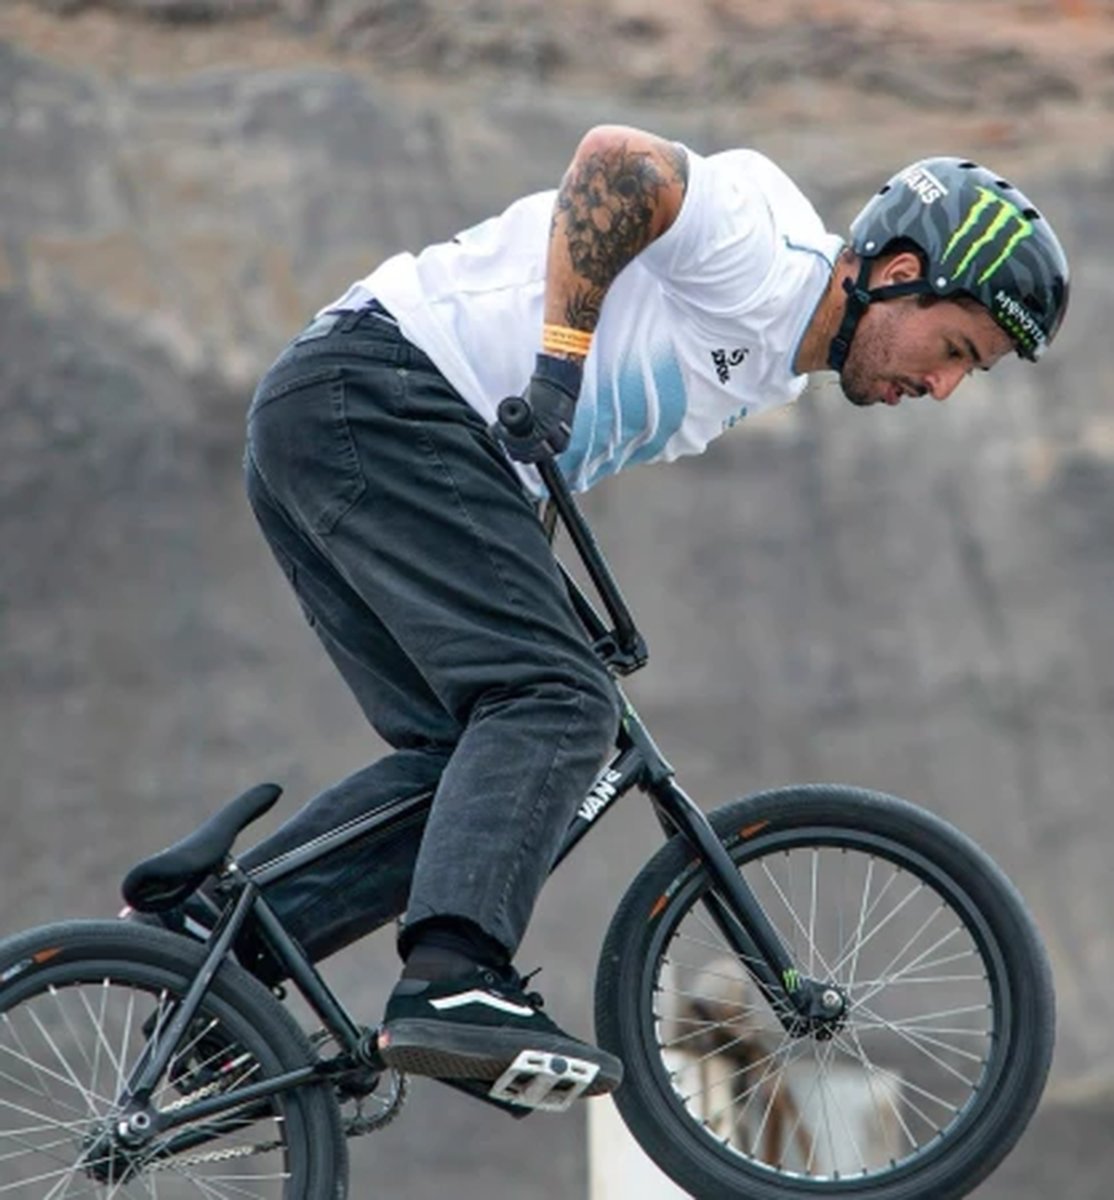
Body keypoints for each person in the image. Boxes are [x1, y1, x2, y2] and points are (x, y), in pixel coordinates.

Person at [239, 125, 1069, 1099]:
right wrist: (558, 363)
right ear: (896, 270)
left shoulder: (762, 370)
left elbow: (521, 472)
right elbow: (618, 163)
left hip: (345, 422)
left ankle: (217, 957)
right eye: (956, 349)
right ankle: (454, 981)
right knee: (555, 703)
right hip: (378, 396)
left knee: (474, 760)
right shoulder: (767, 248)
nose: (939, 386)